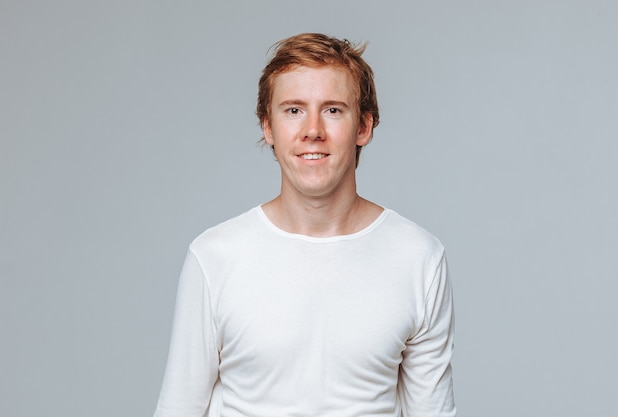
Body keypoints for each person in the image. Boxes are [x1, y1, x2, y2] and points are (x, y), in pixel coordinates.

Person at [153, 33, 456, 417]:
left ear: (363, 126)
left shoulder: (419, 258)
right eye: (293, 110)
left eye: (332, 110)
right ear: (269, 128)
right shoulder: (214, 257)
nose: (312, 129)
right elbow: (178, 409)